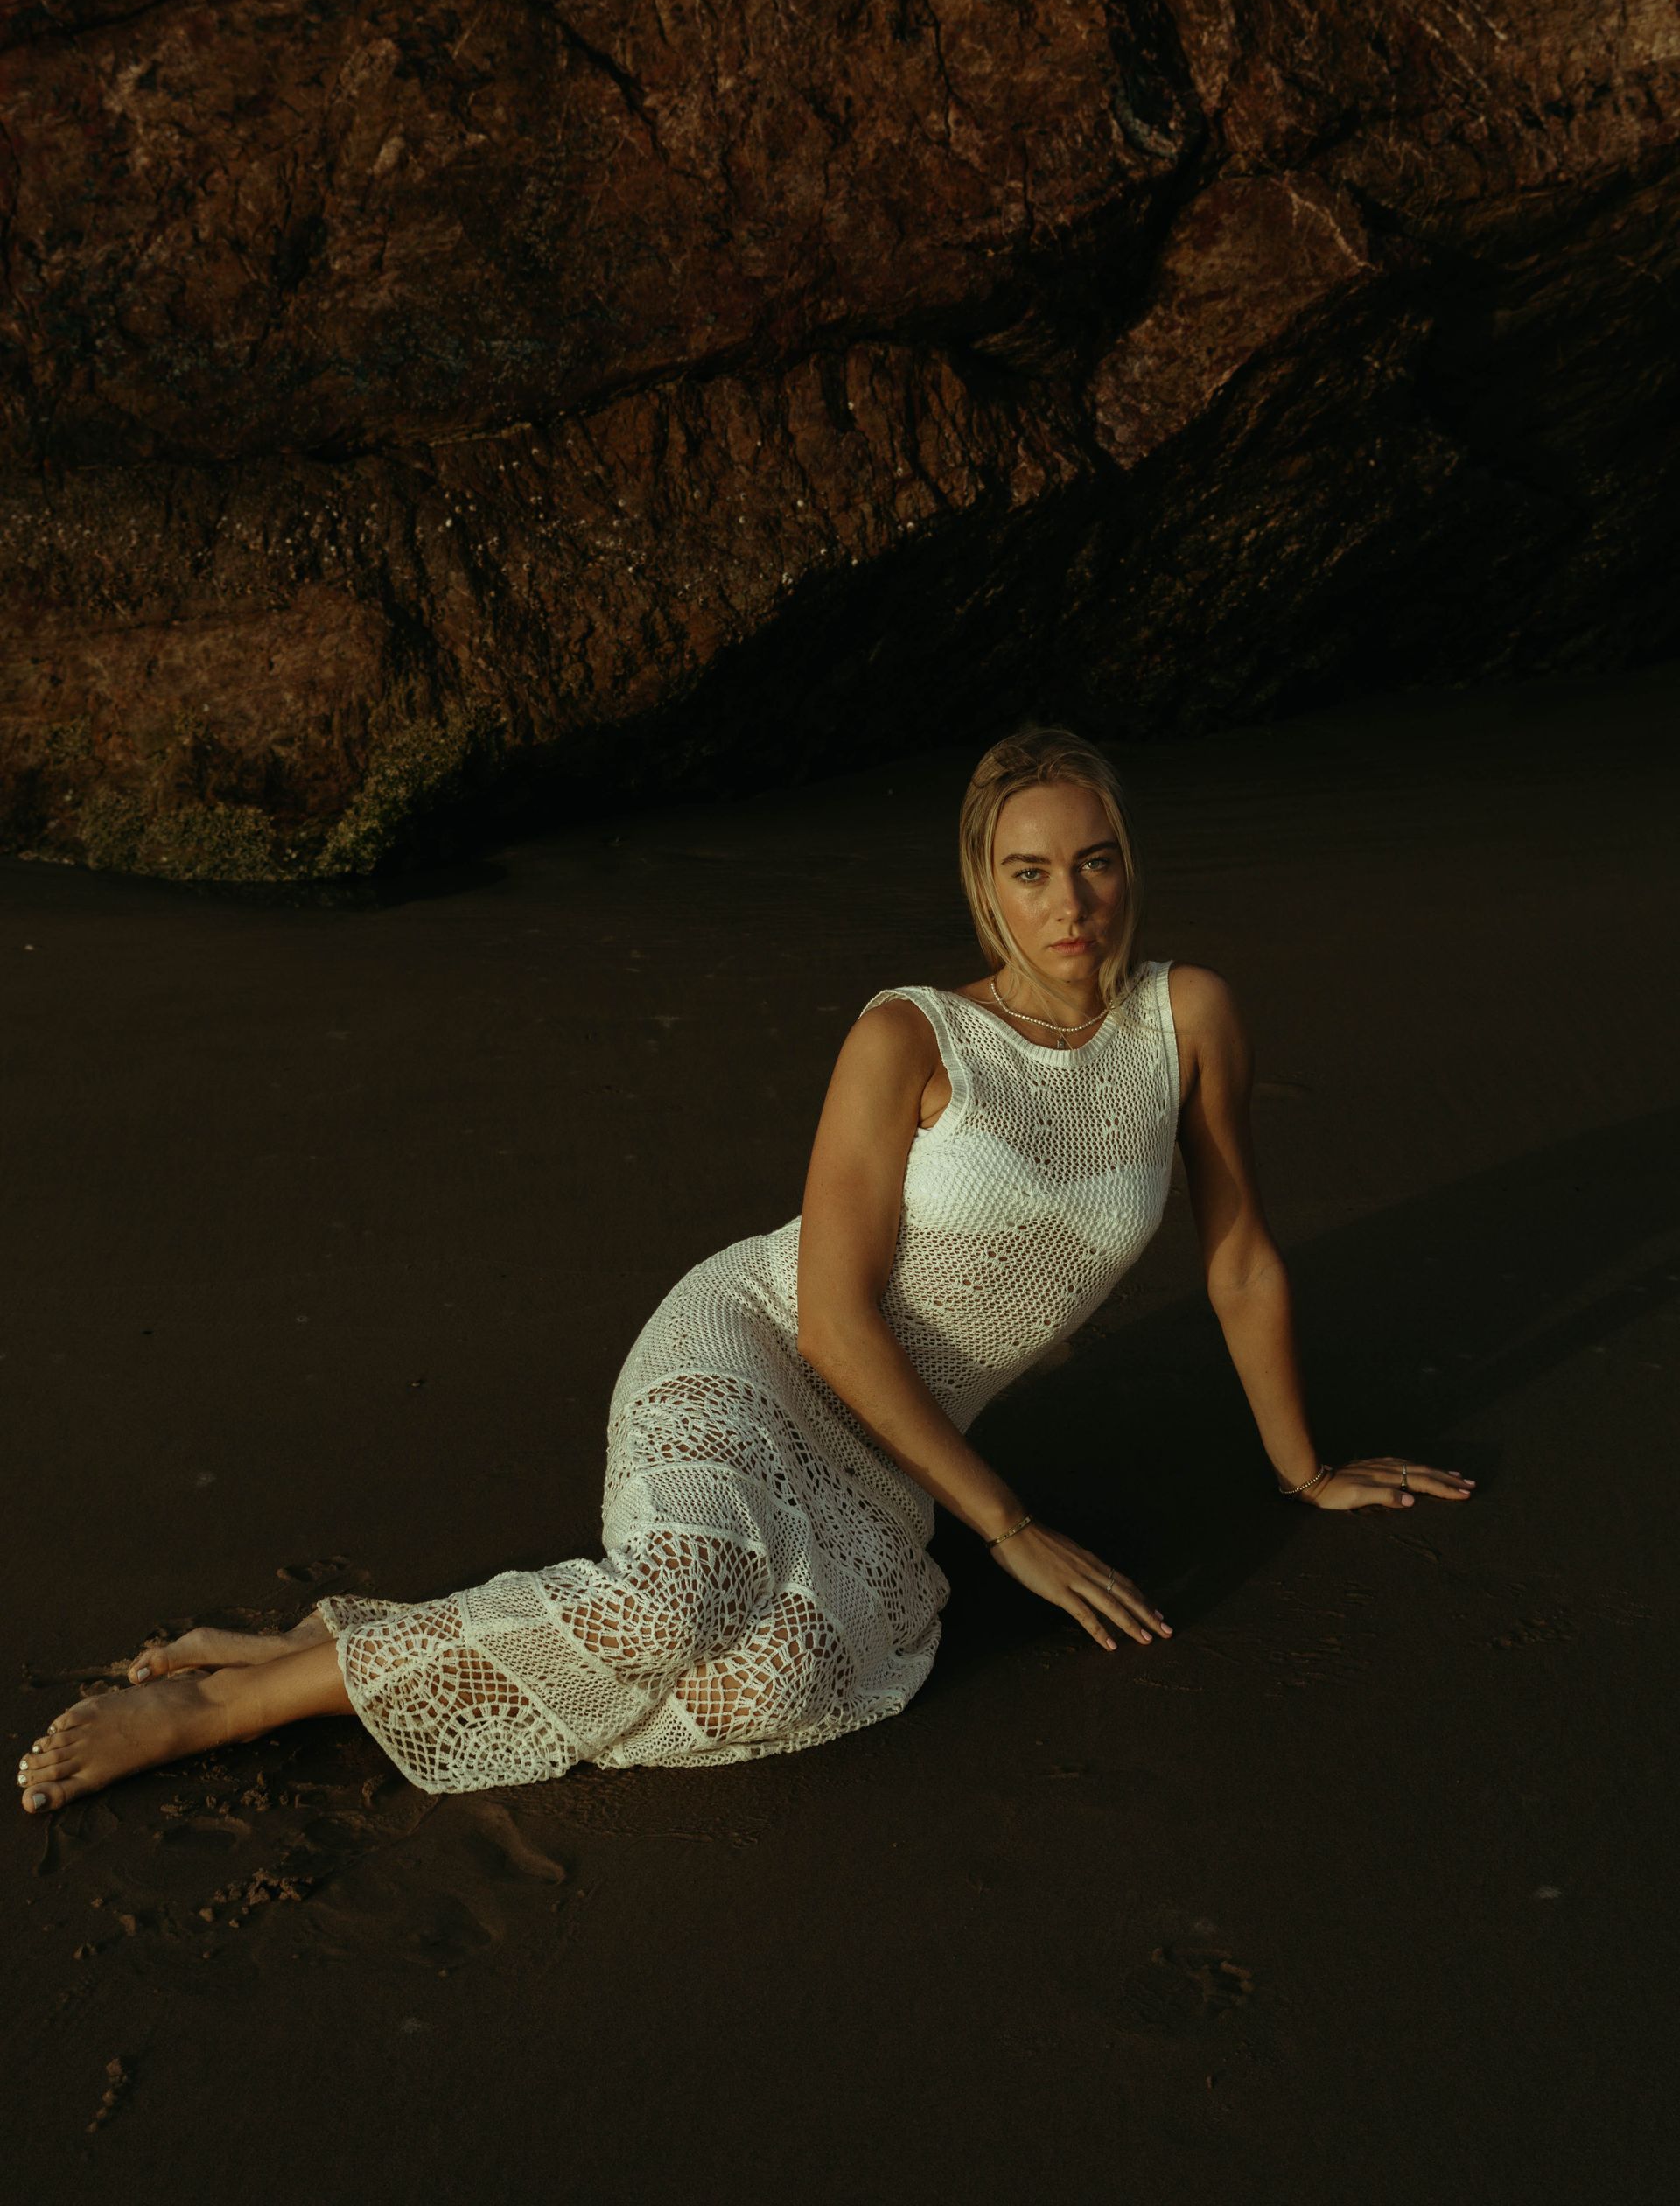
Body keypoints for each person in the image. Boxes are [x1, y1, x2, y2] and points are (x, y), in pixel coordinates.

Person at [18, 726, 1474, 1816]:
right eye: (1029, 873)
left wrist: (1305, 1472)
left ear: (1127, 862)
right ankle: (238, 1706)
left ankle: (354, 1644)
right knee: (673, 1600)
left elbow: (1237, 1259)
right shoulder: (910, 1037)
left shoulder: (1189, 1015)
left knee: (765, 1684)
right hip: (761, 1352)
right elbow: (835, 1315)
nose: (1068, 903)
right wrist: (1010, 1526)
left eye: (1092, 862)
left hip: (898, 1461)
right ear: (985, 886)